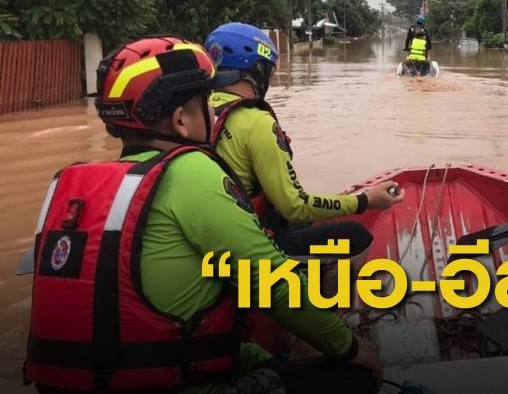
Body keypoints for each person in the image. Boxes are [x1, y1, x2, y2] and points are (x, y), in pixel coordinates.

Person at [24, 38, 382, 393]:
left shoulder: (75, 186)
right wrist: (349, 347)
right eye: (207, 105)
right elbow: (272, 284)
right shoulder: (192, 171)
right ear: (181, 120)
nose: (214, 113)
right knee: (356, 375)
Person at [203, 23, 402, 259]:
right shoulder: (257, 122)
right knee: (355, 236)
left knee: (302, 225)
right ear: (258, 70)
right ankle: (317, 294)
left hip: (218, 236)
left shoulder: (199, 113)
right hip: (250, 246)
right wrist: (363, 201)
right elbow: (295, 206)